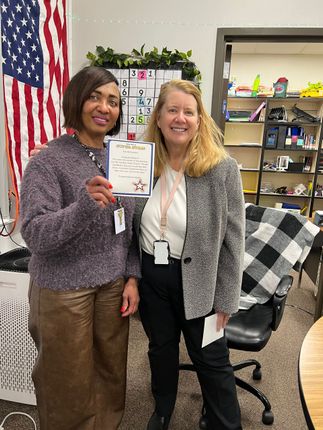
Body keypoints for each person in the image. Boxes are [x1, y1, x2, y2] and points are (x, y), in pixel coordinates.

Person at [20, 66, 140, 430]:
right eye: (95, 97)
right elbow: (35, 233)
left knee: (110, 372)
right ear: (77, 100)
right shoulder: (47, 160)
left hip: (112, 287)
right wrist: (85, 205)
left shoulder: (122, 157)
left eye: (114, 101)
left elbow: (129, 230)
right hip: (62, 288)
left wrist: (132, 276)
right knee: (65, 381)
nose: (105, 107)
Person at [133, 79, 245, 430]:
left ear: (199, 119)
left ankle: (225, 423)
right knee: (161, 350)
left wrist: (226, 299)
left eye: (189, 111)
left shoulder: (221, 168)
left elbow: (233, 239)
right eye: (172, 110)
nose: (180, 118)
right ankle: (163, 408)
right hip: (154, 279)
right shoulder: (143, 162)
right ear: (159, 116)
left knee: (212, 359)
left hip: (202, 285)